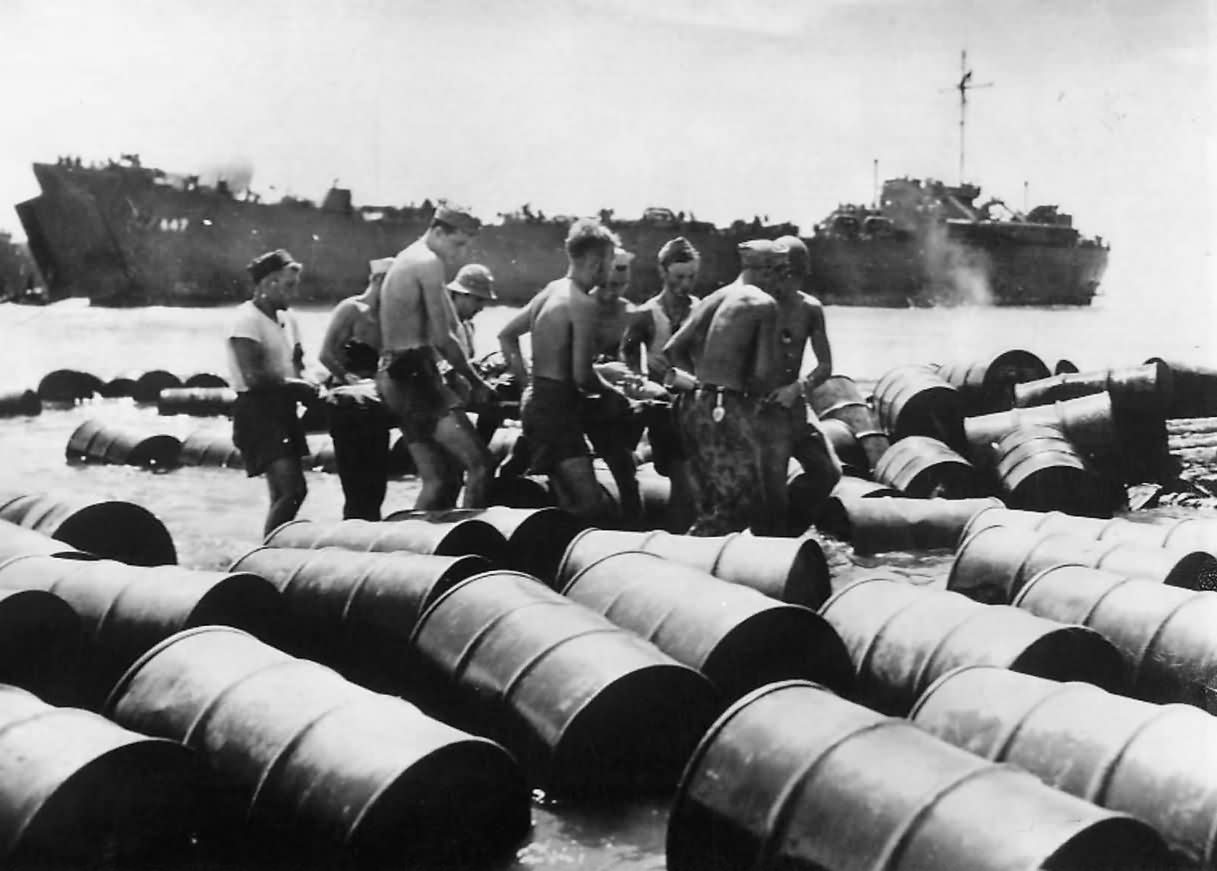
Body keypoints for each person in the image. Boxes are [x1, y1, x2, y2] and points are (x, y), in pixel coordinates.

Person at [499, 219, 631, 522]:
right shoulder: (582, 304)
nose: (611, 269)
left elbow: (506, 336)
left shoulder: (552, 290)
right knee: (590, 504)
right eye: (610, 261)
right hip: (556, 413)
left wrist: (526, 382)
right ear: (596, 263)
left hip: (536, 403)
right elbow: (582, 376)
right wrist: (614, 395)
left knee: (564, 497)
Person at [663, 239, 789, 536]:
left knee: (709, 501)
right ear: (767, 271)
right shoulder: (764, 305)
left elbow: (672, 349)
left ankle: (699, 562)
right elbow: (762, 374)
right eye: (779, 272)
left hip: (694, 405)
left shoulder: (715, 298)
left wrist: (702, 383)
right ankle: (687, 563)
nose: (781, 280)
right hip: (727, 409)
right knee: (741, 503)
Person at [378, 203, 497, 510]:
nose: (459, 254)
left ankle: (420, 551)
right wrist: (475, 380)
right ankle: (469, 547)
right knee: (481, 464)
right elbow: (442, 337)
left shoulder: (409, 257)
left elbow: (450, 326)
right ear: (438, 231)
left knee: (441, 478)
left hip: (395, 374)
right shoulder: (428, 262)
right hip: (415, 375)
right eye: (458, 243)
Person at [226, 248, 317, 536]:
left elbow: (297, 364)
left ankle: (271, 548)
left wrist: (309, 380)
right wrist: (298, 386)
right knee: (293, 490)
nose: (294, 293)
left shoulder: (288, 320)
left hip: (282, 410)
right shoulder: (246, 319)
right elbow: (252, 376)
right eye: (289, 286)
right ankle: (266, 552)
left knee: (282, 492)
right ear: (267, 284)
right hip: (257, 410)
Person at [620, 236, 703, 530]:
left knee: (697, 484)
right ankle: (677, 542)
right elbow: (628, 353)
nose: (686, 283)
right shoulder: (646, 313)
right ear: (663, 272)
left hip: (698, 406)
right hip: (664, 409)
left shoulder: (702, 309)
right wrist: (640, 377)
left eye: (692, 276)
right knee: (683, 481)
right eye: (679, 276)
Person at [767, 235, 842, 524]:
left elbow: (825, 365)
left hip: (793, 404)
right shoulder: (755, 306)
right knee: (769, 486)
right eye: (782, 274)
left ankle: (793, 529)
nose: (787, 282)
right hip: (760, 406)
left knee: (828, 472)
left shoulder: (809, 309)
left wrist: (798, 388)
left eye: (794, 275)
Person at [318, 257, 395, 520]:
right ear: (378, 280)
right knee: (354, 485)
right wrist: (348, 378)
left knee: (376, 486)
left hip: (375, 404)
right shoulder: (350, 309)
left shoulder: (388, 318)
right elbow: (326, 354)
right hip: (347, 403)